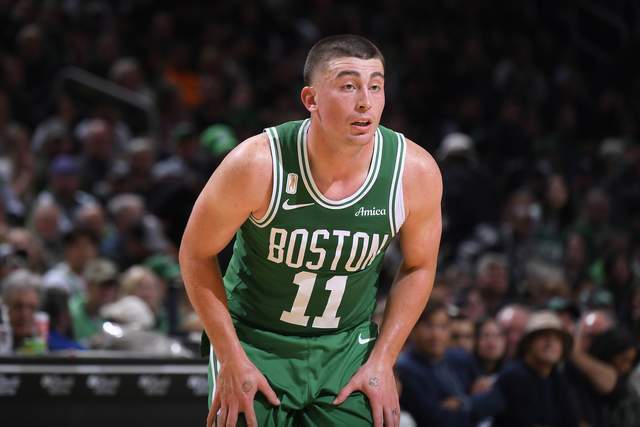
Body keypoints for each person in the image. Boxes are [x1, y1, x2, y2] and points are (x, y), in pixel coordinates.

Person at [179, 34, 443, 427]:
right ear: (311, 99)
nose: (365, 102)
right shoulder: (257, 163)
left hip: (346, 348)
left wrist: (384, 360)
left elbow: (419, 265)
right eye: (348, 86)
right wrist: (231, 356)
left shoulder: (414, 171)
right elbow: (195, 254)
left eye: (375, 86)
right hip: (255, 342)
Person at [492, 310, 581, 427]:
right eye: (543, 336)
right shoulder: (514, 377)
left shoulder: (558, 379)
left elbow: (572, 421)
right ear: (528, 343)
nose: (550, 343)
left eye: (557, 339)